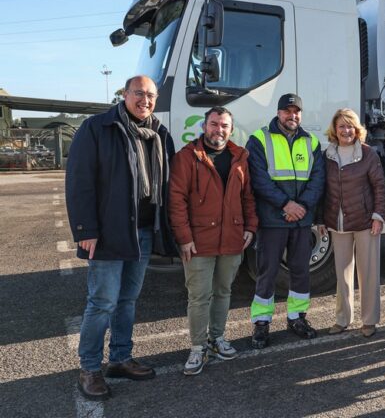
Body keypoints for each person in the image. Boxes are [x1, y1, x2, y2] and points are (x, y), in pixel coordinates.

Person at [66, 75, 176, 401]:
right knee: (102, 302)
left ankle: (120, 358)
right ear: (124, 94)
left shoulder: (159, 132)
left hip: (142, 231)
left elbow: (170, 183)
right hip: (108, 232)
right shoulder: (98, 127)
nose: (145, 99)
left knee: (128, 300)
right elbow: (79, 181)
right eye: (139, 93)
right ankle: (89, 368)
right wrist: (86, 230)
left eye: (151, 95)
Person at [168, 106, 259, 375]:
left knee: (223, 292)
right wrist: (184, 237)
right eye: (214, 124)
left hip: (232, 238)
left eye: (224, 126)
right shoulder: (186, 157)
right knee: (199, 297)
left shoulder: (240, 157)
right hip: (199, 241)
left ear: (231, 130)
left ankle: (217, 338)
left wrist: (250, 228)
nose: (218, 130)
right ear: (204, 126)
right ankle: (198, 347)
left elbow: (248, 198)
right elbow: (176, 201)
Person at [246, 93, 325, 348]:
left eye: (296, 112)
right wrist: (285, 204)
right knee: (267, 272)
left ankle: (297, 318)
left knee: (301, 271)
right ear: (278, 113)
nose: (292, 116)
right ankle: (261, 323)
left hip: (301, 220)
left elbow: (317, 180)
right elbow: (258, 179)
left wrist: (301, 206)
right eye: (287, 111)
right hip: (273, 219)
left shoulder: (312, 142)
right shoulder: (259, 139)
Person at [319, 109, 385, 338]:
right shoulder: (326, 155)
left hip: (365, 222)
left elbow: (379, 186)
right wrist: (320, 218)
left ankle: (369, 320)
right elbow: (321, 189)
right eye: (341, 126)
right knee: (342, 274)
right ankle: (342, 319)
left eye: (350, 126)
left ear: (357, 129)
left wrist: (379, 215)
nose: (346, 130)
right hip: (338, 223)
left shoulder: (368, 154)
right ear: (334, 130)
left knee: (368, 274)